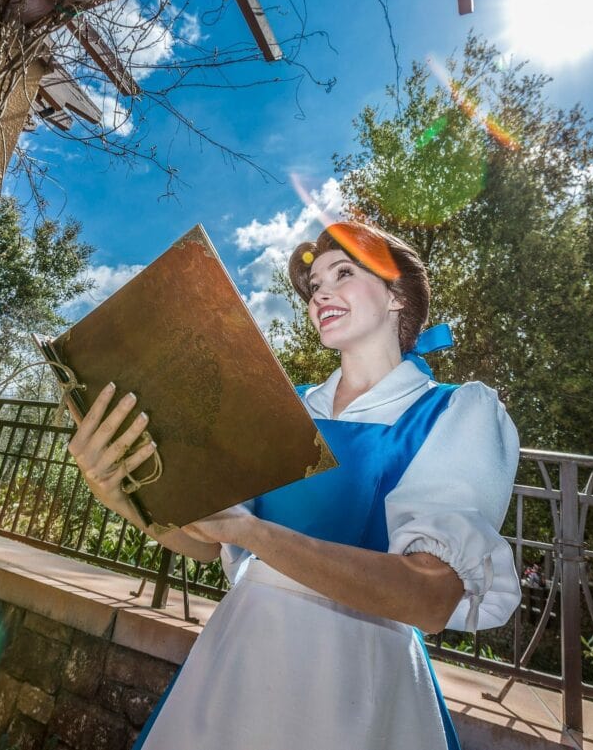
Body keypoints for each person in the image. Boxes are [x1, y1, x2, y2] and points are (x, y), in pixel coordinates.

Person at [66, 221, 521, 750]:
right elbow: (207, 542)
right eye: (314, 286)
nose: (320, 292)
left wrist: (256, 534)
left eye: (343, 273)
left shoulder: (455, 413)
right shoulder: (283, 408)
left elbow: (429, 599)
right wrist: (116, 495)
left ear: (396, 297)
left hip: (355, 678)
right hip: (238, 652)